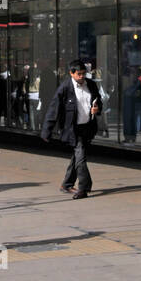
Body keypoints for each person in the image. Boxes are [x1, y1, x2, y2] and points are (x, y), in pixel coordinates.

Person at [40, 59, 102, 199]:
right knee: (81, 158)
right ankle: (84, 187)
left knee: (77, 157)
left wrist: (97, 109)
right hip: (73, 129)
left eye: (83, 74)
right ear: (71, 73)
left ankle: (67, 184)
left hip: (88, 127)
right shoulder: (65, 88)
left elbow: (99, 102)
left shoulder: (91, 85)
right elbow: (53, 109)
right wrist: (46, 131)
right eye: (78, 74)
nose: (81, 76)